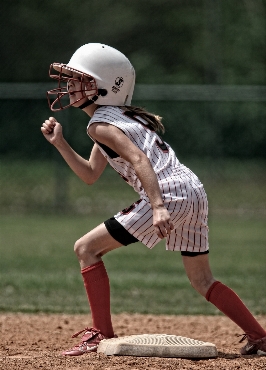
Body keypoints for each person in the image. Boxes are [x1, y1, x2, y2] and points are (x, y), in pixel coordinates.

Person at [41, 43, 266, 357]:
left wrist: (158, 206)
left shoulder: (102, 124)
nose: (70, 86)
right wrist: (61, 144)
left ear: (103, 88)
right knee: (202, 278)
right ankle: (260, 336)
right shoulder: (117, 119)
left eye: (80, 79)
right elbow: (91, 173)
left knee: (86, 249)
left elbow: (138, 160)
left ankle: (99, 334)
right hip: (193, 189)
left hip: (169, 193)